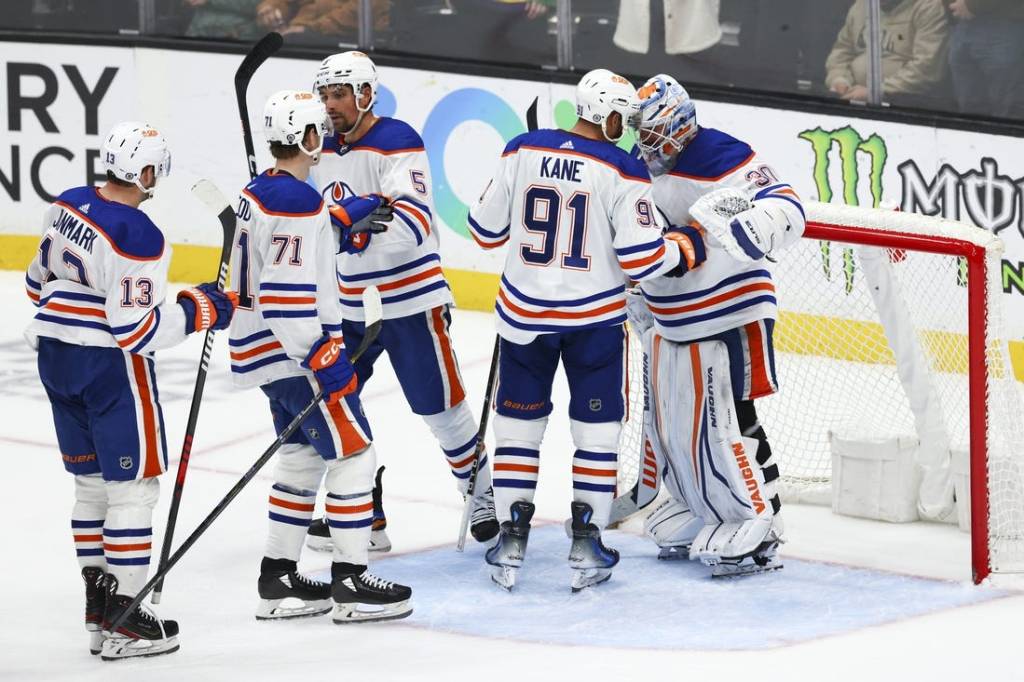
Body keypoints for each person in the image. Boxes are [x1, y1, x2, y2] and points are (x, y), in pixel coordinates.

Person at [467, 68, 703, 592]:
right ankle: (586, 540)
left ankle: (510, 536)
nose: (628, 129)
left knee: (518, 432)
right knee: (595, 437)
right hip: (592, 325)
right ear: (610, 115)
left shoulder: (519, 149)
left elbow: (482, 230)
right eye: (625, 118)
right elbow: (642, 259)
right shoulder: (622, 169)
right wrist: (684, 245)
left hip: (523, 319)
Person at [24, 122, 238, 659]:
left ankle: (99, 607)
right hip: (108, 370)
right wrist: (199, 309)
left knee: (91, 487)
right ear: (145, 172)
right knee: (133, 490)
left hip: (54, 356)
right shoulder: (139, 233)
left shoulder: (66, 203)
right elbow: (136, 330)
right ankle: (127, 616)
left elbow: (34, 285)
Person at [304, 50, 499, 553]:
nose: (331, 105)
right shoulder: (317, 148)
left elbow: (413, 223)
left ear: (366, 94)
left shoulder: (396, 141)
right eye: (325, 95)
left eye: (340, 94)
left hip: (409, 297)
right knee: (337, 401)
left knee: (439, 405)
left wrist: (350, 236)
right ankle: (365, 512)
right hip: (348, 303)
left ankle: (479, 493)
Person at [229, 90, 412, 623]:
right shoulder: (296, 201)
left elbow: (283, 251)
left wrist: (336, 225)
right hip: (293, 355)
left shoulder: (258, 191)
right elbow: (287, 295)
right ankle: (351, 580)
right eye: (319, 134)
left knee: (301, 460)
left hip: (263, 354)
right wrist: (320, 354)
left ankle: (278, 578)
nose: (324, 142)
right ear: (308, 138)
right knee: (356, 455)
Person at [626, 74, 805, 576]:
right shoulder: (640, 163)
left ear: (681, 125)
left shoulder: (721, 153)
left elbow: (786, 203)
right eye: (643, 136)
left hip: (731, 307)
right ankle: (701, 503)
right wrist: (637, 296)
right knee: (675, 421)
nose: (649, 147)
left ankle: (761, 519)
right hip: (674, 316)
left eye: (657, 136)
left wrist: (753, 226)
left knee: (729, 415)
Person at [825, 0, 949, 104]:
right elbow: (841, 51)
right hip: (852, 96)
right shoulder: (861, 6)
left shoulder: (928, 7)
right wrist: (839, 79)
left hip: (902, 102)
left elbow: (926, 68)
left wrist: (876, 92)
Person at [947, 0, 1024, 118]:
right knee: (969, 113)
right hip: (962, 24)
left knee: (1007, 112)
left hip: (1004, 23)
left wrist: (973, 5)